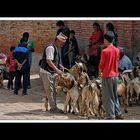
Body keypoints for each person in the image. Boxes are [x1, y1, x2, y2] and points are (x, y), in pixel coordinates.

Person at [39, 32, 67, 113]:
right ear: (58, 41)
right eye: (62, 43)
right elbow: (49, 61)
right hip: (46, 72)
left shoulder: (55, 48)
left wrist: (59, 65)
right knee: (50, 90)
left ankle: (53, 106)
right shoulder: (51, 48)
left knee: (53, 90)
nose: (62, 45)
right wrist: (57, 70)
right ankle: (53, 108)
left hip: (51, 72)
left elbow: (53, 60)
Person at [98, 33, 123, 119]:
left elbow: (101, 65)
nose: (103, 41)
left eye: (104, 40)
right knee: (114, 96)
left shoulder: (104, 51)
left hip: (107, 76)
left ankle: (110, 116)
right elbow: (117, 61)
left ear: (106, 40)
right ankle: (118, 113)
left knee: (108, 97)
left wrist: (99, 72)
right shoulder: (117, 50)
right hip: (115, 75)